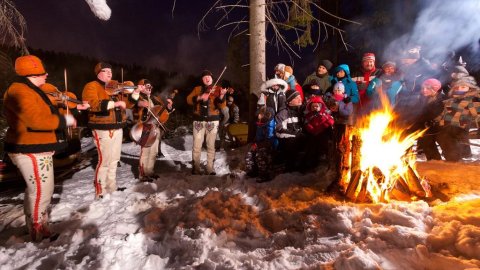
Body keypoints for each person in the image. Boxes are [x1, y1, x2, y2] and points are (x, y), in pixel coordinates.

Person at [3, 55, 77, 241]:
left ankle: (35, 225)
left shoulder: (32, 90)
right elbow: (36, 120)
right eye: (43, 72)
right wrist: (63, 120)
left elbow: (47, 111)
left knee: (35, 189)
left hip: (35, 147)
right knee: (43, 189)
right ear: (33, 73)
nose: (46, 75)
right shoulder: (19, 91)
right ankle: (39, 229)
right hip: (29, 148)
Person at [82, 62, 143, 199]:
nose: (110, 73)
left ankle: (112, 186)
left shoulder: (114, 88)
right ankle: (100, 190)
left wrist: (136, 92)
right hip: (102, 128)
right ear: (98, 73)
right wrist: (113, 104)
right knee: (104, 160)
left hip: (117, 127)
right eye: (106, 71)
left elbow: (128, 104)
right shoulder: (92, 86)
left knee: (115, 159)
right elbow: (91, 103)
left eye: (110, 70)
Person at [186, 70, 227, 175]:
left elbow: (222, 106)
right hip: (198, 121)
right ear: (202, 80)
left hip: (212, 121)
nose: (207, 78)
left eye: (209, 77)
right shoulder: (197, 89)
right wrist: (199, 97)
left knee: (210, 145)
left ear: (212, 79)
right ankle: (196, 168)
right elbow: (188, 100)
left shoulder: (217, 89)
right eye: (205, 77)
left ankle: (210, 168)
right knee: (197, 145)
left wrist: (221, 96)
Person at [135, 79, 173, 181]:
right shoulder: (138, 96)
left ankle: (150, 171)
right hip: (145, 127)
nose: (150, 88)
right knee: (146, 151)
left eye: (151, 86)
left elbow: (162, 110)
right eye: (147, 86)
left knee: (154, 151)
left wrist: (168, 106)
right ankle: (143, 174)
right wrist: (140, 103)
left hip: (156, 127)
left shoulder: (154, 98)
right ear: (141, 86)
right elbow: (136, 104)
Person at [275, 89, 305, 172]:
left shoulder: (302, 111)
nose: (300, 99)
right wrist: (295, 135)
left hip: (300, 138)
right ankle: (290, 167)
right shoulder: (283, 113)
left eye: (300, 97)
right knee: (291, 143)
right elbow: (279, 131)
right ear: (290, 101)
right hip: (288, 141)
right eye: (297, 98)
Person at [302, 95, 334, 171]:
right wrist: (312, 130)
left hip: (322, 134)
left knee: (323, 146)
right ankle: (310, 165)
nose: (315, 108)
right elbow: (307, 124)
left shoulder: (324, 114)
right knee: (312, 149)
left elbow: (331, 122)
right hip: (313, 135)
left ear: (320, 106)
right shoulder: (308, 115)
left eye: (317, 106)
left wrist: (325, 121)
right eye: (313, 106)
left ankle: (322, 161)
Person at [245, 106, 277, 182]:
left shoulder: (271, 125)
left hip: (270, 144)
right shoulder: (260, 123)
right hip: (261, 143)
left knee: (260, 154)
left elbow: (270, 139)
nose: (259, 116)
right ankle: (253, 171)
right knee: (249, 153)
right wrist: (255, 143)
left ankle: (265, 174)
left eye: (260, 115)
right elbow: (258, 136)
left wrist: (258, 145)